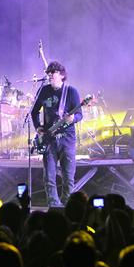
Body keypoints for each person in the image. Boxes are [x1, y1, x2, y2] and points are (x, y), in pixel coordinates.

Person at [30, 61, 82, 207]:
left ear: (62, 75)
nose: (50, 75)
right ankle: (54, 206)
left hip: (67, 139)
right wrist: (38, 128)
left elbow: (79, 114)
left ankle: (68, 206)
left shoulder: (71, 92)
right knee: (49, 177)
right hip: (49, 139)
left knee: (68, 177)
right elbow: (34, 112)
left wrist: (73, 118)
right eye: (48, 73)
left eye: (53, 72)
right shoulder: (43, 91)